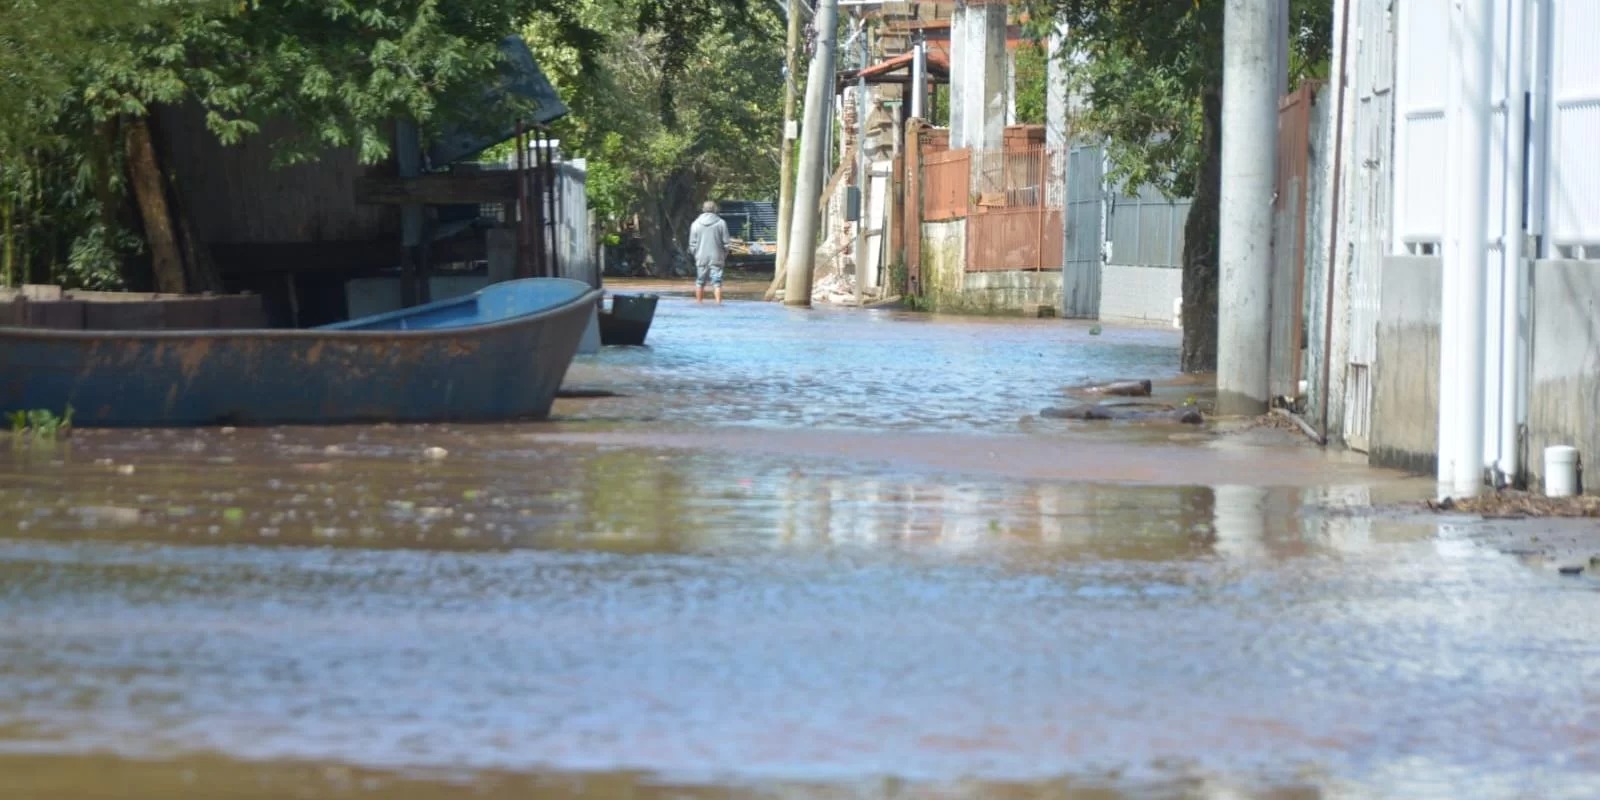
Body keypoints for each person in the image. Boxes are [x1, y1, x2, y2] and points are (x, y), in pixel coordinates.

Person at [688, 200, 730, 304]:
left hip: (701, 257)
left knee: (700, 282)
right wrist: (723, 255)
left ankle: (699, 303)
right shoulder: (721, 223)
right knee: (717, 283)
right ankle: (718, 304)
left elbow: (692, 244)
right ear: (715, 209)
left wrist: (696, 255)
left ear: (703, 209)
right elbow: (726, 243)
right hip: (717, 257)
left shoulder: (695, 224)